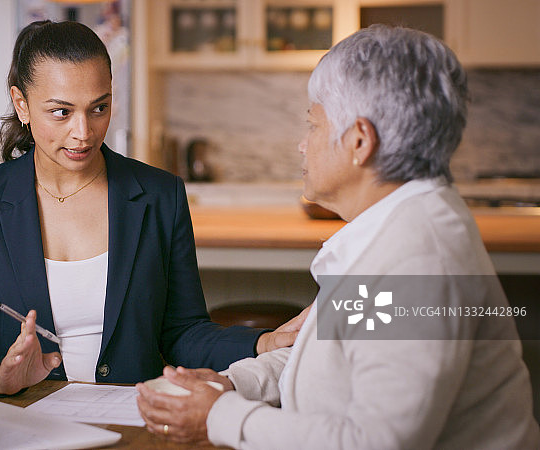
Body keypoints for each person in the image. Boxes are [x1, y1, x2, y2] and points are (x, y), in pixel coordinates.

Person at [135, 25, 540, 448]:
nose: (302, 145)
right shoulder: (395, 228)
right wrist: (232, 383)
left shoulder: (417, 261)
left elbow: (376, 441)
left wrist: (219, 417)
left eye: (313, 125)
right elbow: (324, 354)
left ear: (360, 141)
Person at [0, 20, 305, 398]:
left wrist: (264, 344)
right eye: (61, 112)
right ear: (21, 104)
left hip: (133, 417)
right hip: (24, 418)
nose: (83, 132)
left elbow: (183, 332)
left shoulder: (160, 194)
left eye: (99, 108)